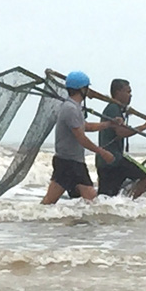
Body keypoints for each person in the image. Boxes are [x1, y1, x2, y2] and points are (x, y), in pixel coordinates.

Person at [41, 71, 118, 204]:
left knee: (49, 202)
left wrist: (109, 124)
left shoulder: (74, 107)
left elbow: (86, 126)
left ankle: (33, 220)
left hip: (67, 161)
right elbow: (81, 137)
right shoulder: (70, 108)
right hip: (70, 162)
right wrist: (102, 152)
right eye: (87, 88)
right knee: (93, 201)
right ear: (82, 89)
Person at [95, 78, 146, 198]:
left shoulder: (115, 109)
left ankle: (122, 206)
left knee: (106, 197)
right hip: (114, 160)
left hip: (104, 161)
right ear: (118, 92)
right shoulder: (113, 108)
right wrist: (145, 126)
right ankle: (129, 202)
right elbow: (121, 132)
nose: (130, 96)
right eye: (128, 92)